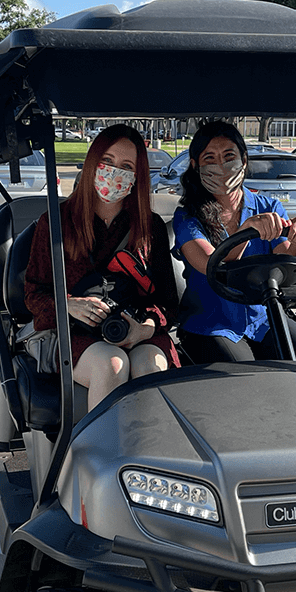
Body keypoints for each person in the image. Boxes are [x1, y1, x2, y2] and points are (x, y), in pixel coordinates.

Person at [23, 124, 179, 410]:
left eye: (126, 166)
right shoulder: (56, 223)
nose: (114, 172)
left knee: (150, 368)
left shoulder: (150, 227)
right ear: (93, 162)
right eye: (107, 161)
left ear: (137, 176)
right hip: (77, 334)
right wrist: (69, 304)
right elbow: (34, 294)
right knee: (113, 365)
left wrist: (144, 328)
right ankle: (103, 453)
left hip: (139, 330)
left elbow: (168, 303)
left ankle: (150, 450)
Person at [172, 120, 296, 364]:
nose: (221, 166)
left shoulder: (269, 207)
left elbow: (284, 256)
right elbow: (208, 264)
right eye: (210, 159)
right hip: (211, 323)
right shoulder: (188, 217)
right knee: (243, 373)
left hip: (264, 317)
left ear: (243, 160)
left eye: (228, 156)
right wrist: (244, 232)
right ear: (196, 166)